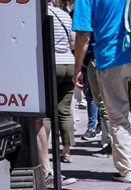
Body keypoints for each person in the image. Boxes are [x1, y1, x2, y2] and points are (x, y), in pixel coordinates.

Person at [72, 0, 131, 183]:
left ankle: (128, 170)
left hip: (110, 57)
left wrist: (77, 69)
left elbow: (83, 34)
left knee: (118, 116)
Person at [49, 1, 76, 166]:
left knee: (44, 112)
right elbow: (73, 41)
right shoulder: (65, 15)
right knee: (64, 111)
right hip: (69, 63)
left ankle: (42, 152)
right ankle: (67, 152)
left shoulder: (42, 16)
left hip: (52, 64)